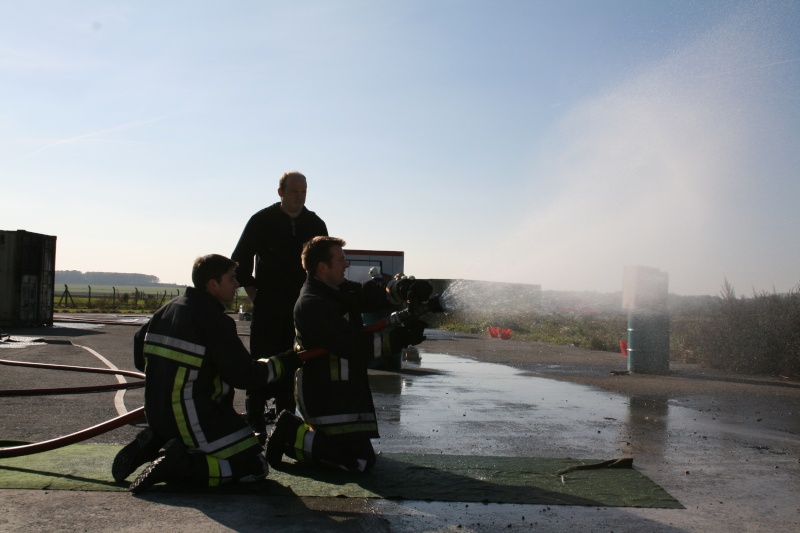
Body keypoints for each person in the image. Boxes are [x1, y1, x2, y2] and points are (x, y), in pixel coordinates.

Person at [111, 254, 299, 493]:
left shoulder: (169, 309)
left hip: (158, 413)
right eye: (231, 279)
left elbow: (140, 354)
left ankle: (159, 441)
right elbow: (245, 376)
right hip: (195, 419)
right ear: (213, 284)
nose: (237, 285)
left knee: (238, 449)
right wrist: (286, 362)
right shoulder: (213, 320)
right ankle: (181, 465)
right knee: (254, 466)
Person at [265, 236, 429, 473]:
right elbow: (353, 345)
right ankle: (290, 433)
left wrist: (402, 289)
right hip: (325, 395)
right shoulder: (312, 303)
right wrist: (398, 339)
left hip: (342, 392)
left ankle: (303, 436)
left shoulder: (335, 290)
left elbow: (367, 293)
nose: (347, 264)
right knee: (359, 463)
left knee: (361, 457)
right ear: (323, 267)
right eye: (341, 259)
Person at [231, 171, 328, 435]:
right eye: (294, 191)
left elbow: (324, 266)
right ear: (281, 192)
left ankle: (287, 421)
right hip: (268, 305)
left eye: (303, 192)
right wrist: (255, 295)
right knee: (261, 360)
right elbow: (239, 261)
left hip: (301, 308)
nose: (299, 197)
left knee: (294, 361)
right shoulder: (261, 221)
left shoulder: (315, 225)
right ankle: (256, 422)